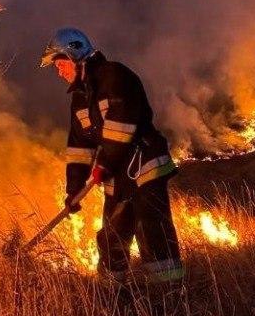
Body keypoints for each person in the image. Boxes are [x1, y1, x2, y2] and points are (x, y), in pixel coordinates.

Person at [41, 27, 184, 284]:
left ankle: (171, 295)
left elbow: (122, 126)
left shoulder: (115, 76)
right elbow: (79, 146)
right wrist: (73, 189)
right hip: (117, 177)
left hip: (144, 167)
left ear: (75, 56)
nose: (58, 72)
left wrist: (104, 164)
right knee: (112, 236)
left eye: (60, 64)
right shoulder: (79, 100)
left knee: (151, 230)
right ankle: (112, 291)